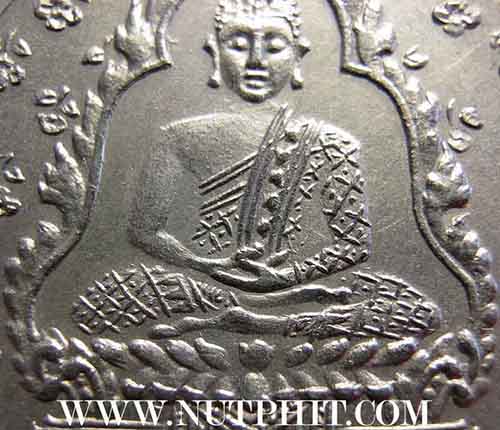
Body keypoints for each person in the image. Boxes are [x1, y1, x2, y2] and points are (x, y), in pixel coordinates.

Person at [128, 0, 372, 293]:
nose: (256, 60)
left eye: (274, 47)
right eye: (239, 45)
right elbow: (143, 232)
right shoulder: (178, 138)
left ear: (298, 54)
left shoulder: (332, 143)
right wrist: (204, 266)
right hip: (195, 292)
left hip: (301, 295)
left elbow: (355, 243)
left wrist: (285, 278)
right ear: (215, 51)